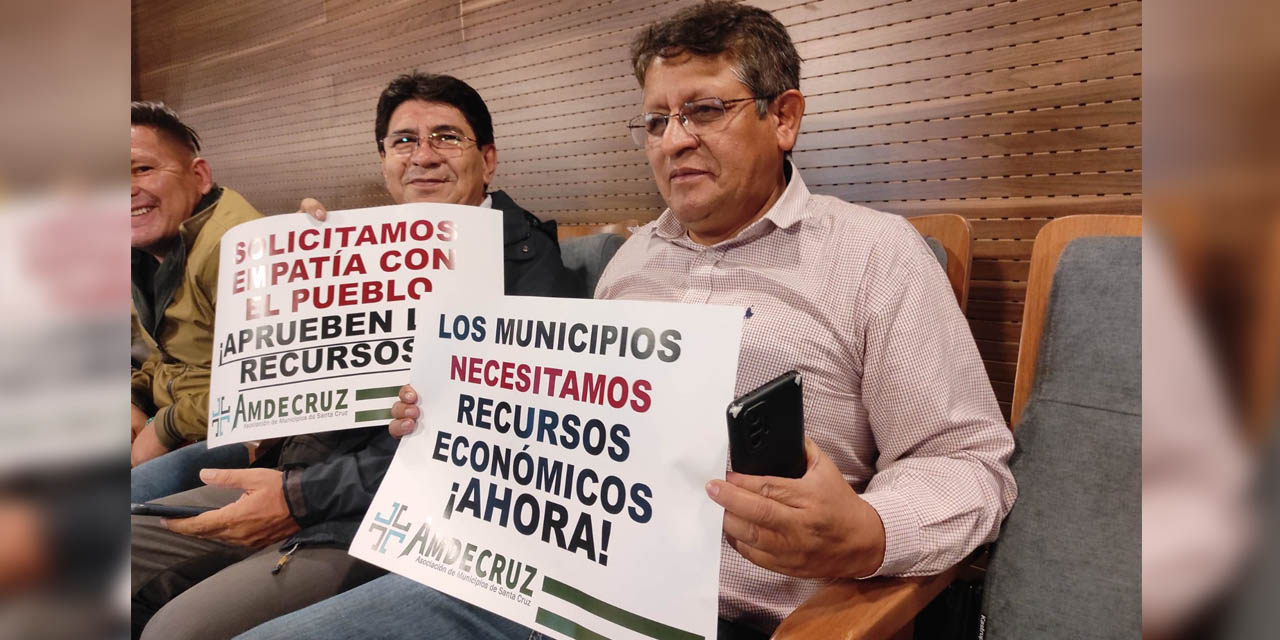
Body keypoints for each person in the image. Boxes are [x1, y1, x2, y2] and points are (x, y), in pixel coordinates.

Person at [238, 3, 1016, 639]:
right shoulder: (629, 266)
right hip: (544, 587)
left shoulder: (876, 255)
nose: (675, 139)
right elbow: (550, 433)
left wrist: (872, 531)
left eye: (704, 110)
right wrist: (446, 416)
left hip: (735, 613)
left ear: (784, 119)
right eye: (656, 120)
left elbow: (967, 463)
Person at [130, 73, 577, 640]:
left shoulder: (527, 268)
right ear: (385, 160)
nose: (423, 156)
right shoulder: (359, 248)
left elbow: (483, 445)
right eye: (404, 141)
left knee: (174, 627)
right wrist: (302, 267)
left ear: (487, 160)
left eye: (447, 137)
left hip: (386, 513)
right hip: (291, 470)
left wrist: (298, 496)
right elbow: (291, 381)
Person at [130, 102, 263, 502]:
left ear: (199, 175)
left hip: (245, 438)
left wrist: (164, 427)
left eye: (142, 169)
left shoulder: (240, 248)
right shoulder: (151, 248)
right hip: (183, 419)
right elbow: (170, 355)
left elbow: (267, 385)